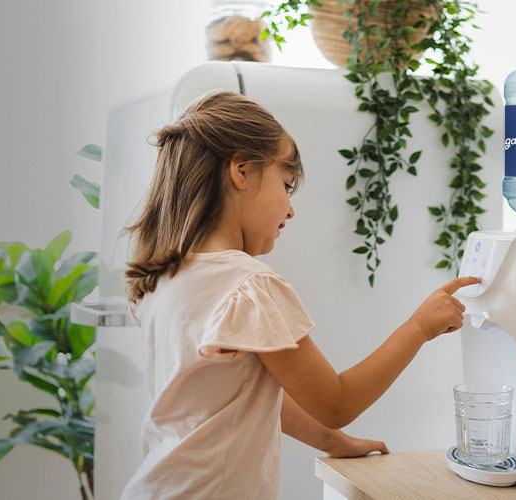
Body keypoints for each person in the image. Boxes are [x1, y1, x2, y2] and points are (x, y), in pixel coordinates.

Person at [119, 90, 479, 499]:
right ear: (241, 170)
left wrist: (333, 442)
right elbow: (336, 402)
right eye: (287, 185)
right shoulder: (249, 284)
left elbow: (250, 393)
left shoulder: (165, 276)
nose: (291, 210)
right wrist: (418, 327)